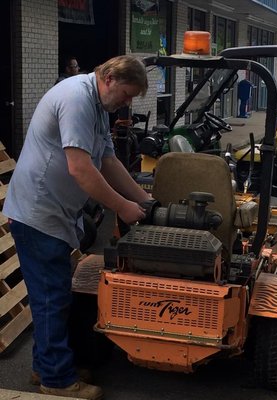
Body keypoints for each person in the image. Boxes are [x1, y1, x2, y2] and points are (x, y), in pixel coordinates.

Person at [3, 55, 150, 400]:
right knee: (51, 298)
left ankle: (48, 366)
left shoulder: (98, 107)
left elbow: (109, 161)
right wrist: (122, 208)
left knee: (53, 296)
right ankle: (57, 380)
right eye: (127, 94)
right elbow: (81, 169)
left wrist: (143, 200)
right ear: (110, 78)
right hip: (38, 214)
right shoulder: (76, 98)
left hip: (54, 214)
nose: (126, 103)